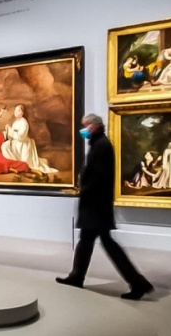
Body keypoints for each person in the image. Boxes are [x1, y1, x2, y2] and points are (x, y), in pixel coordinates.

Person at [57, 114, 154, 300]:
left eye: (86, 126)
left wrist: (83, 190)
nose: (83, 130)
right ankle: (77, 276)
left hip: (96, 206)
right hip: (95, 205)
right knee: (87, 241)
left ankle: (139, 283)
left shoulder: (101, 146)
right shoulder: (99, 144)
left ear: (95, 126)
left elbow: (98, 177)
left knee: (106, 244)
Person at [0, 104, 58, 174]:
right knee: (5, 146)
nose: (16, 112)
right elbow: (11, 136)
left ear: (22, 113)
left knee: (28, 164)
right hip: (16, 143)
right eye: (15, 110)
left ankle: (25, 165)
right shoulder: (15, 123)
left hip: (23, 144)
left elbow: (21, 137)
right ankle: (14, 164)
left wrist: (10, 130)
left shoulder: (24, 123)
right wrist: (8, 130)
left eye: (18, 111)